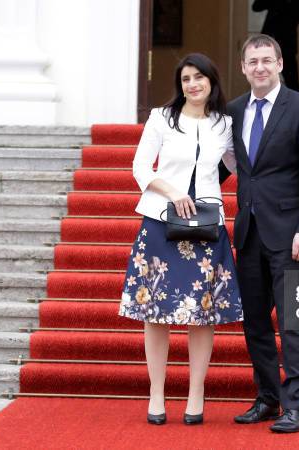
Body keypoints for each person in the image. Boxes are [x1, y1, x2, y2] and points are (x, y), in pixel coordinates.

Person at [118, 53, 242, 426]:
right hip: (159, 222)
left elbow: (242, 167)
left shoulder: (225, 124)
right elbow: (140, 167)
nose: (193, 84)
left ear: (212, 81)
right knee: (155, 312)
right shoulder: (161, 118)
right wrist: (172, 192)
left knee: (201, 313)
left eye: (199, 77)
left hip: (206, 228)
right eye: (186, 78)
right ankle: (157, 391)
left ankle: (196, 392)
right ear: (180, 84)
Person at [226, 34, 299, 433]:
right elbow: (228, 167)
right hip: (249, 233)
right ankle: (269, 398)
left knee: (292, 322)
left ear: (281, 64)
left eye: (267, 60)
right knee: (254, 322)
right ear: (243, 68)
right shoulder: (233, 111)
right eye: (253, 62)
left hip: (290, 237)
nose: (260, 68)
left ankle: (296, 407)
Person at [252, 0, 299, 93]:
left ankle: (295, 105)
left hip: (285, 43)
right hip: (272, 42)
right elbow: (256, 6)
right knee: (264, 81)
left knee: (292, 84)